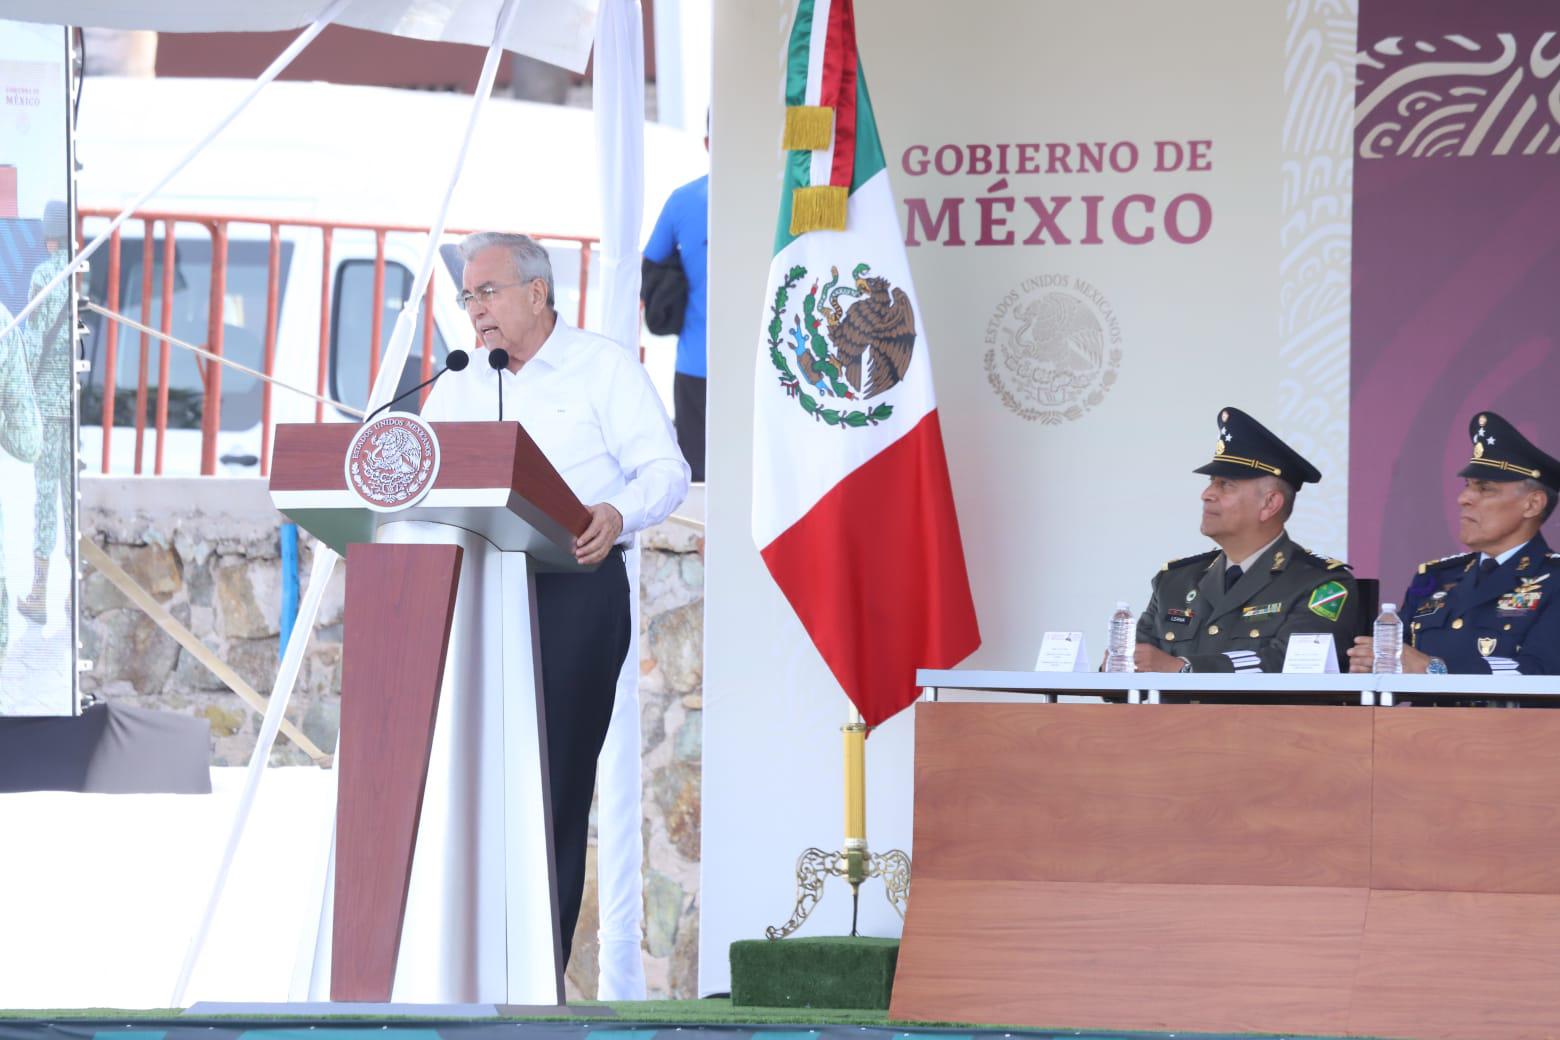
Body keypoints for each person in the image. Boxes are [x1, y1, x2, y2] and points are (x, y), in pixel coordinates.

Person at [421, 232, 689, 963]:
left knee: (553, 786)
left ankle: (539, 971)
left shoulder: (603, 368)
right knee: (476, 784)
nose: (473, 309)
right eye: (466, 296)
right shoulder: (461, 379)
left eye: (487, 292)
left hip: (573, 587)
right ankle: (465, 961)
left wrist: (616, 513)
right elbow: (422, 476)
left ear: (537, 293)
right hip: (478, 590)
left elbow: (665, 470)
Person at [1133, 406, 1360, 673]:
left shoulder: (1321, 584)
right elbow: (1139, 667)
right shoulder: (1174, 581)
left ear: (1270, 504)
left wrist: (1186, 669)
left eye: (1226, 484)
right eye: (1211, 482)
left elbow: (1292, 665)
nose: (1207, 494)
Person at [1347, 411, 1560, 676]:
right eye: (1467, 485)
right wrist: (1373, 665)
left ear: (1532, 504)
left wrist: (1436, 669)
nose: (1464, 498)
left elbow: (1544, 671)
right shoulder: (1436, 577)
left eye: (1485, 489)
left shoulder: (1554, 580)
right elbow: (1399, 662)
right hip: (1417, 719)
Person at [19, 200, 74, 626]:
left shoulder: (43, 275)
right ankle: (75, 594)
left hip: (49, 404)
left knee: (45, 497)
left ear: (46, 232)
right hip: (75, 402)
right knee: (72, 498)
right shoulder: (80, 273)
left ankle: (39, 592)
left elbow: (33, 342)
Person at [642, 133, 708, 481]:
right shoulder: (780, 196)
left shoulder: (684, 200)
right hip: (770, 365)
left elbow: (651, 261)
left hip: (697, 365)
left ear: (708, 142)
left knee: (701, 482)